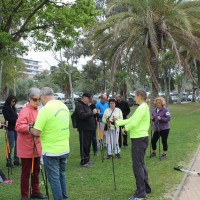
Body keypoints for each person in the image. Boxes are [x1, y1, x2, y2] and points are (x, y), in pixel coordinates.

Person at [28, 87, 70, 200]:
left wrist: (29, 128)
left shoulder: (45, 110)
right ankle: (64, 198)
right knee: (62, 176)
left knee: (54, 179)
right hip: (65, 148)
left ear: (43, 97)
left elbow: (36, 132)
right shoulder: (64, 106)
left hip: (51, 151)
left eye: (40, 99)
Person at [116, 89, 151, 200]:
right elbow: (132, 119)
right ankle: (146, 188)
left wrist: (125, 129)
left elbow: (134, 123)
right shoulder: (143, 107)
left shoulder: (142, 107)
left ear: (139, 96)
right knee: (141, 164)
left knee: (137, 166)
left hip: (139, 139)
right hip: (141, 138)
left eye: (135, 96)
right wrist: (117, 122)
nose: (134, 98)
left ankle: (141, 193)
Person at [15, 88, 47, 200]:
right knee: (26, 172)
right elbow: (18, 126)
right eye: (35, 99)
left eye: (39, 99)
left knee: (36, 170)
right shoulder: (25, 111)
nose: (37, 101)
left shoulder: (38, 111)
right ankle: (24, 195)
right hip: (26, 147)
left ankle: (35, 191)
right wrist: (29, 127)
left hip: (37, 146)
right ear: (29, 99)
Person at [75, 92, 97, 167]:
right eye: (88, 98)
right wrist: (92, 113)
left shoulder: (86, 106)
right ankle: (83, 161)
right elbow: (82, 116)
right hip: (83, 129)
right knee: (84, 145)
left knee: (88, 145)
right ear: (84, 97)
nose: (90, 100)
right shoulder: (79, 106)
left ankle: (87, 159)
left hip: (89, 128)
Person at [2, 94, 20, 167]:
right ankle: (8, 161)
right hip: (9, 128)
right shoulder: (5, 108)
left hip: (15, 127)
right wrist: (16, 120)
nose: (14, 103)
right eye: (13, 101)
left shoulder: (14, 108)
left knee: (17, 144)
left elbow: (15, 116)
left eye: (15, 102)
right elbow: (8, 118)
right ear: (9, 100)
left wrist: (17, 119)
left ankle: (16, 160)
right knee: (11, 144)